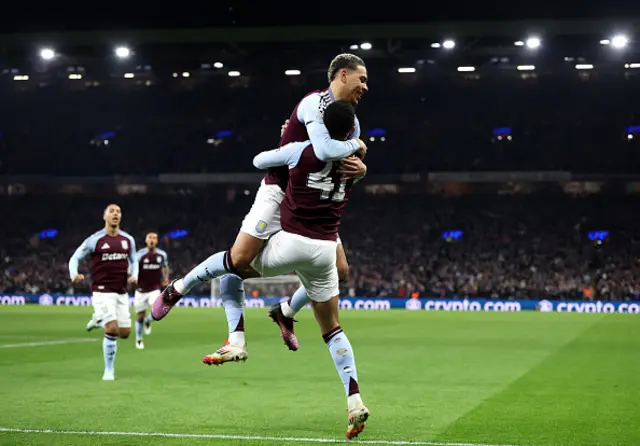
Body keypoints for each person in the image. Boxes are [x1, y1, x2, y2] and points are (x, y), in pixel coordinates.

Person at [151, 53, 369, 361]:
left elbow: (345, 164)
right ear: (343, 75)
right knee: (239, 259)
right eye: (362, 79)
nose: (365, 86)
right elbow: (323, 149)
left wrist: (361, 168)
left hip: (309, 203)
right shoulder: (313, 104)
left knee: (340, 270)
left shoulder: (353, 122)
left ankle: (285, 311)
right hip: (279, 191)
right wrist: (355, 147)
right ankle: (178, 288)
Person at [204, 100, 370, 439]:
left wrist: (288, 143)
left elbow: (262, 162)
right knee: (333, 327)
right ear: (350, 132)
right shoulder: (354, 164)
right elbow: (345, 152)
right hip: (325, 245)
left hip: (293, 237)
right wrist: (359, 152)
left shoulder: (304, 152)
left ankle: (230, 325)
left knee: (235, 265)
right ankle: (354, 399)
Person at [69, 204, 137, 381]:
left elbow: (134, 260)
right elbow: (75, 257)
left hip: (121, 291)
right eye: (112, 212)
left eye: (118, 212)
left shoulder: (128, 240)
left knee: (125, 332)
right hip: (101, 290)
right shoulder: (95, 240)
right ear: (104, 216)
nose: (116, 214)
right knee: (112, 329)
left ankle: (98, 320)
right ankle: (109, 370)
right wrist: (73, 273)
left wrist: (134, 275)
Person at [133, 232, 168, 349]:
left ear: (157, 241)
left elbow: (165, 266)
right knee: (139, 317)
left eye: (154, 238)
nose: (152, 240)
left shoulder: (162, 255)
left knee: (157, 310)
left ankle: (148, 320)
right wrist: (131, 275)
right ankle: (138, 339)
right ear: (146, 240)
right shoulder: (139, 255)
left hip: (154, 288)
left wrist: (166, 279)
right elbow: (132, 268)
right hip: (140, 290)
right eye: (150, 238)